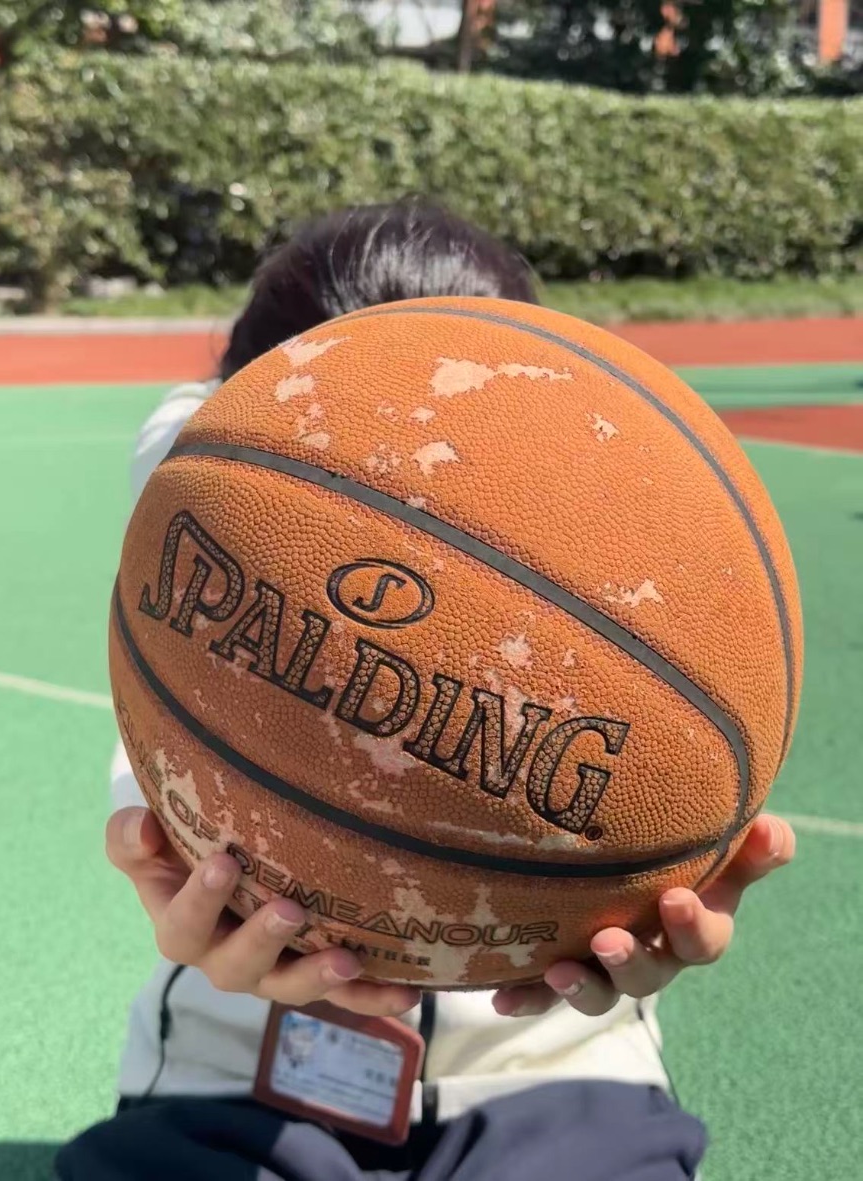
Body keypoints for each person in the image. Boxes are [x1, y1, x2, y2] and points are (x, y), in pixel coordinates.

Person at [57, 200, 795, 1181]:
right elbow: (214, 434)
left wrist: (660, 897)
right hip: (237, 1064)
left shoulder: (619, 531)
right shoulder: (221, 479)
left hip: (551, 1061)